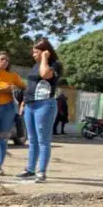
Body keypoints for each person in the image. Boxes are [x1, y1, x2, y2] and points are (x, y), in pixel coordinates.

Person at [17, 38, 62, 183]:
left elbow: (45, 75)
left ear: (45, 52)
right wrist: (23, 102)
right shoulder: (35, 65)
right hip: (30, 105)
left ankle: (41, 171)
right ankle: (30, 169)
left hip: (44, 104)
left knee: (43, 140)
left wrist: (44, 58)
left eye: (36, 52)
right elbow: (31, 85)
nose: (33, 55)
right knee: (32, 139)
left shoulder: (55, 64)